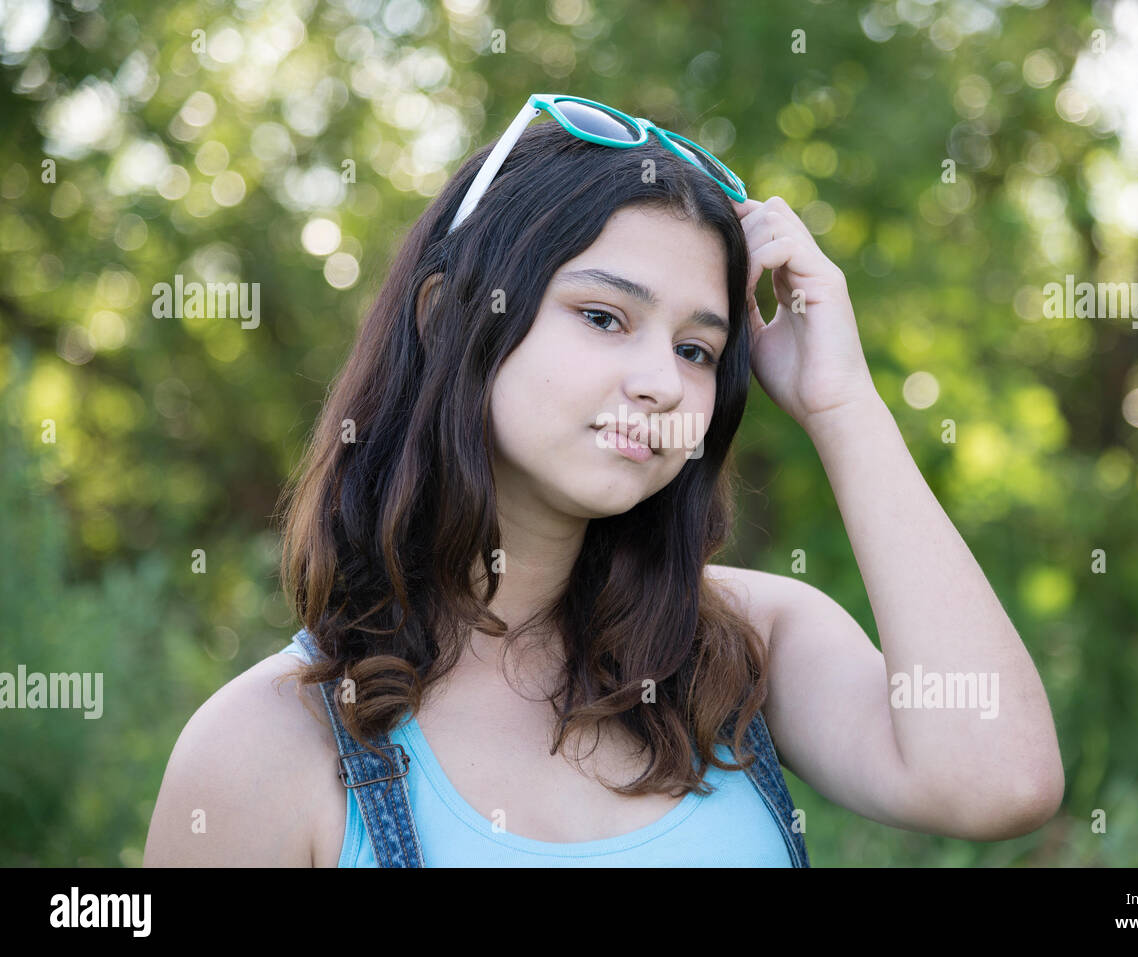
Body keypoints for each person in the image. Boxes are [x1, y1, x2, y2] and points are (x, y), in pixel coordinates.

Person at [144, 95, 1063, 868]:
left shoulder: (745, 650)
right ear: (446, 316)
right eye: (603, 315)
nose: (663, 380)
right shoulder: (265, 747)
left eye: (697, 347)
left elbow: (1002, 779)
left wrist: (840, 400)